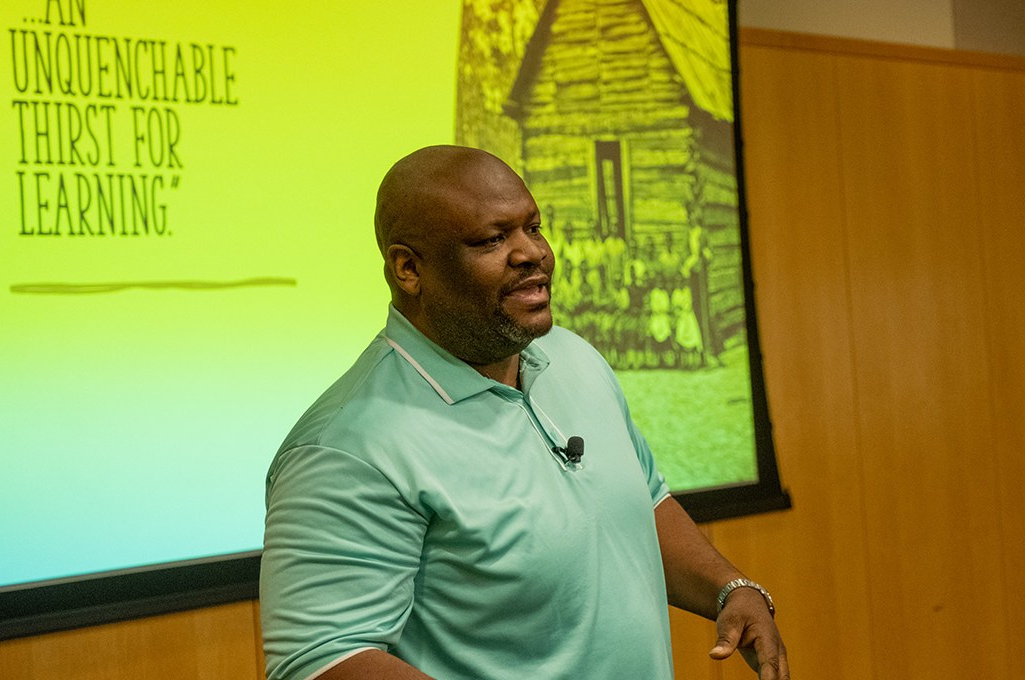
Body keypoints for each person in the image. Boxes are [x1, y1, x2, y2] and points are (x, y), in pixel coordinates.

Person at [260, 145, 789, 680]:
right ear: (408, 268)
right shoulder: (346, 447)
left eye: (533, 229)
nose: (532, 253)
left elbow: (642, 502)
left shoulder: (574, 358)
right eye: (492, 240)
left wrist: (729, 589)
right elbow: (324, 660)